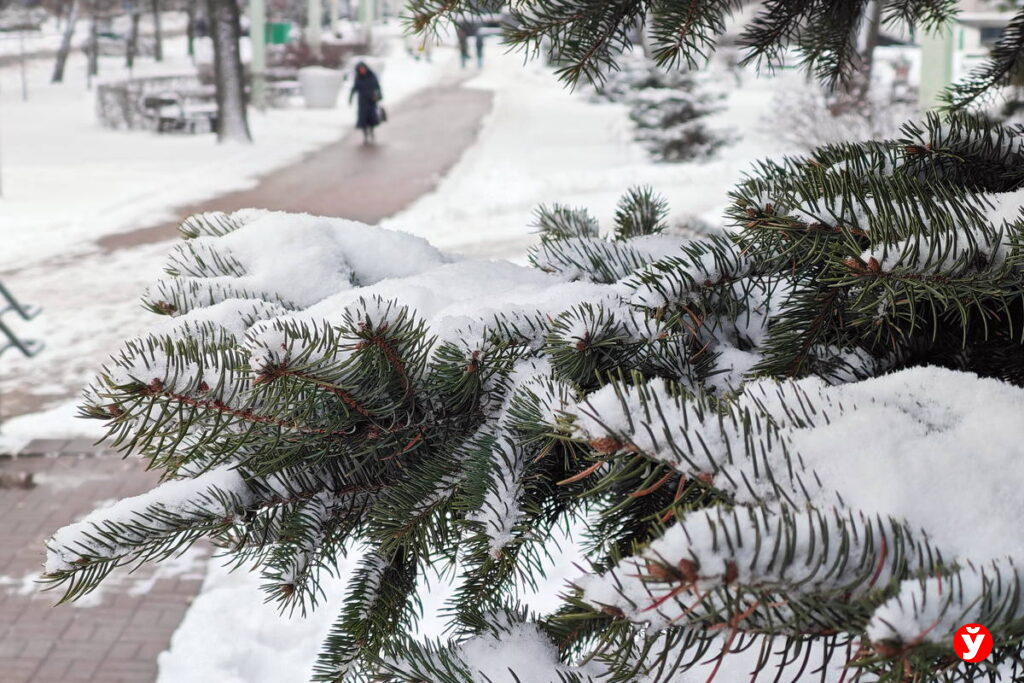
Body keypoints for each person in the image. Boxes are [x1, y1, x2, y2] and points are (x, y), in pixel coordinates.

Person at [349, 61, 382, 144]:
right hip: (362, 101)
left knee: (372, 117)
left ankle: (371, 131)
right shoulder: (358, 78)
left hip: (372, 100)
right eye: (360, 69)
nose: (362, 70)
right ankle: (365, 135)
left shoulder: (372, 75)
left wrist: (379, 95)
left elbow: (377, 86)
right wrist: (350, 98)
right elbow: (354, 88)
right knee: (363, 118)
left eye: (363, 68)